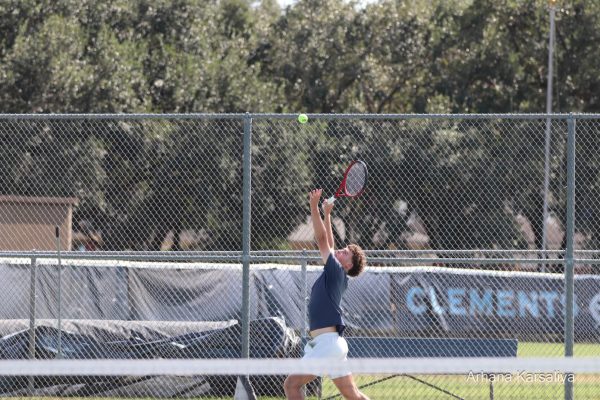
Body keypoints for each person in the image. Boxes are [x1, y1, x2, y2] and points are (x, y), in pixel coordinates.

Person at [284, 189, 369, 400]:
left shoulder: (337, 271)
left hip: (327, 345)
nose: (340, 251)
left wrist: (314, 208)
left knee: (291, 385)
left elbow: (323, 241)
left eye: (345, 253)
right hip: (330, 344)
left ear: (348, 264)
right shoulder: (337, 274)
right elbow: (330, 246)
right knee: (354, 396)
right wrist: (327, 214)